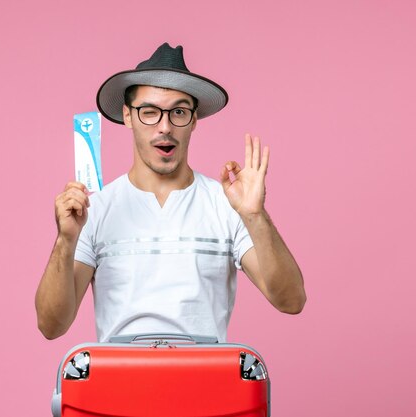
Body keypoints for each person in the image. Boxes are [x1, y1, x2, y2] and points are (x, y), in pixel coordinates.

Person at [35, 43, 306, 342]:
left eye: (178, 112)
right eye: (149, 112)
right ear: (128, 116)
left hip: (205, 383)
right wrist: (66, 239)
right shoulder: (94, 210)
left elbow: (291, 300)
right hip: (119, 384)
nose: (164, 127)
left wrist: (255, 216)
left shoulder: (226, 205)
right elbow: (51, 325)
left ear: (193, 120)